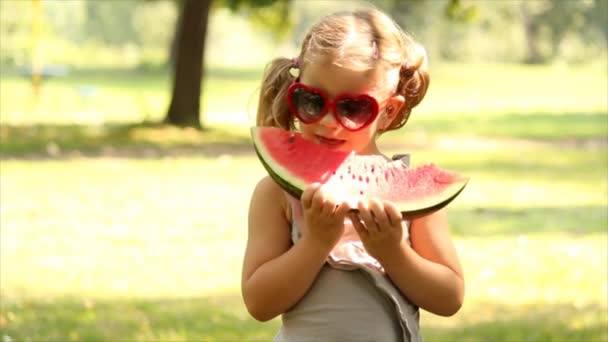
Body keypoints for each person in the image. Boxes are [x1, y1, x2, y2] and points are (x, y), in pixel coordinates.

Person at [241, 7, 464, 342]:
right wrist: (316, 242)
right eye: (313, 102)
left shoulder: (413, 201)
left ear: (389, 112)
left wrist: (393, 251)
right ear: (296, 91)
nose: (329, 122)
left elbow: (449, 298)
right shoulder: (276, 193)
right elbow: (259, 303)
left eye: (353, 107)